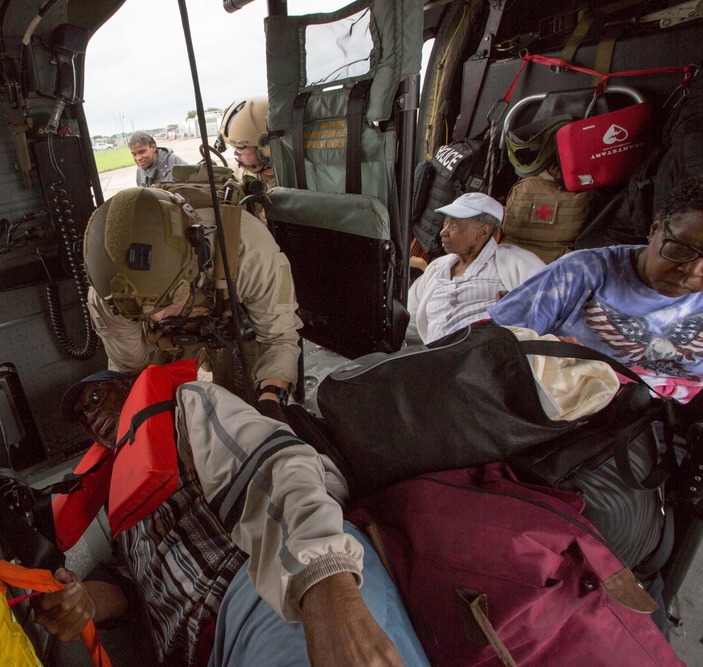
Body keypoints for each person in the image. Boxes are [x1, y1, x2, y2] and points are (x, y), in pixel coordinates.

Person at [41, 366, 429, 667]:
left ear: (129, 385)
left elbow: (275, 467)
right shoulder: (120, 497)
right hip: (206, 652)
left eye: (96, 396)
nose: (92, 415)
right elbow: (127, 587)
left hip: (273, 591)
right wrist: (83, 601)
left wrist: (325, 585)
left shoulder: (184, 409)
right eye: (83, 416)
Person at [84, 186, 301, 417]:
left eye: (168, 299)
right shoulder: (109, 295)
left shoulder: (252, 253)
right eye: (145, 311)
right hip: (167, 338)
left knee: (244, 405)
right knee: (158, 401)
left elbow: (279, 337)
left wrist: (271, 398)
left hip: (233, 320)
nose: (158, 317)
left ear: (198, 259)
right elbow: (130, 369)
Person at [490, 176, 703, 403]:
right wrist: (546, 357)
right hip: (573, 413)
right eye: (679, 249)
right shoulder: (580, 273)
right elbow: (495, 348)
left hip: (665, 423)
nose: (692, 270)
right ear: (655, 228)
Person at [405, 192, 545, 345]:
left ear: (483, 232)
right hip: (436, 361)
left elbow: (552, 307)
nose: (443, 232)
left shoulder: (516, 263)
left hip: (485, 362)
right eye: (445, 223)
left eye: (454, 225)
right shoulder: (437, 269)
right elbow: (407, 321)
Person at [216, 96, 276, 190]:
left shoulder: (298, 179)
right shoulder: (237, 172)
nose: (235, 153)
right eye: (234, 148)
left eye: (240, 149)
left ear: (267, 149)